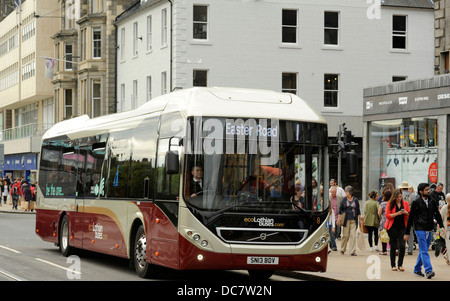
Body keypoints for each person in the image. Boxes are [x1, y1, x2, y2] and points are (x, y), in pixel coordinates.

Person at [404, 183, 446, 279]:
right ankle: (428, 270)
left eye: (429, 189)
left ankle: (417, 269)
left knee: (423, 251)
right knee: (424, 250)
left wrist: (441, 226)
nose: (429, 191)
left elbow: (437, 215)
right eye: (427, 190)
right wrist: (407, 233)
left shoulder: (432, 201)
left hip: (429, 229)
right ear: (421, 192)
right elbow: (410, 218)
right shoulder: (416, 202)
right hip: (419, 229)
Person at [385, 189, 410, 271]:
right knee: (393, 246)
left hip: (402, 227)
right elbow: (387, 215)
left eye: (400, 196)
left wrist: (405, 212)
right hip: (392, 227)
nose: (399, 198)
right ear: (394, 197)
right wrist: (397, 213)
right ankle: (393, 265)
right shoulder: (390, 203)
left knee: (402, 246)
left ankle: (400, 264)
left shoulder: (405, 203)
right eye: (397, 197)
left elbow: (409, 214)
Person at [337, 186, 361, 256]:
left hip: (353, 220)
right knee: (345, 236)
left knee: (353, 236)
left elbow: (358, 210)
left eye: (346, 191)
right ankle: (342, 249)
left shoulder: (355, 200)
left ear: (350, 192)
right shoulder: (343, 200)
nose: (345, 193)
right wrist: (338, 219)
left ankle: (352, 251)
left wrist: (360, 219)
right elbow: (340, 210)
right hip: (346, 220)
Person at [378, 190, 391, 255]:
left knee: (383, 235)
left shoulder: (382, 204)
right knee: (392, 235)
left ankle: (384, 250)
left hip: (384, 221)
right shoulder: (392, 203)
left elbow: (379, 213)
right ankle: (395, 249)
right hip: (391, 221)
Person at [440, 199, 449, 265]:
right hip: (447, 229)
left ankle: (446, 256)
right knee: (448, 245)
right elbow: (441, 219)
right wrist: (439, 229)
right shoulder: (444, 208)